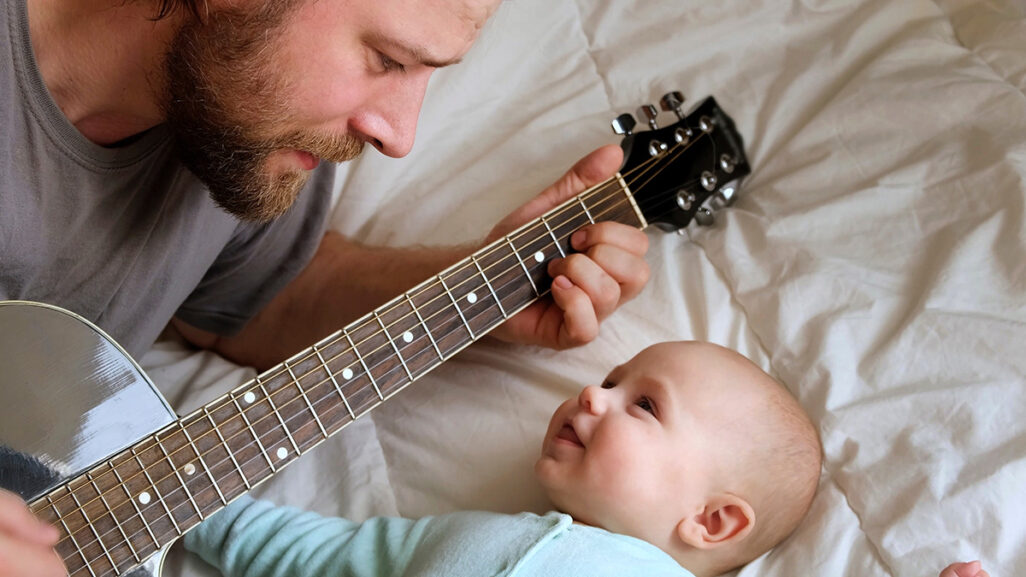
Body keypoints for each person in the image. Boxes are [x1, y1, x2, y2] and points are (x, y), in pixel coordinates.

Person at [0, 0, 651, 574]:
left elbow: (262, 302)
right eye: (389, 60)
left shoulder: (237, 127)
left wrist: (482, 287)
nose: (398, 134)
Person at [181, 341, 824, 577]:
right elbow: (311, 553)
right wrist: (185, 501)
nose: (592, 393)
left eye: (646, 405)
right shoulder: (454, 536)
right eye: (610, 378)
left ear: (711, 522)